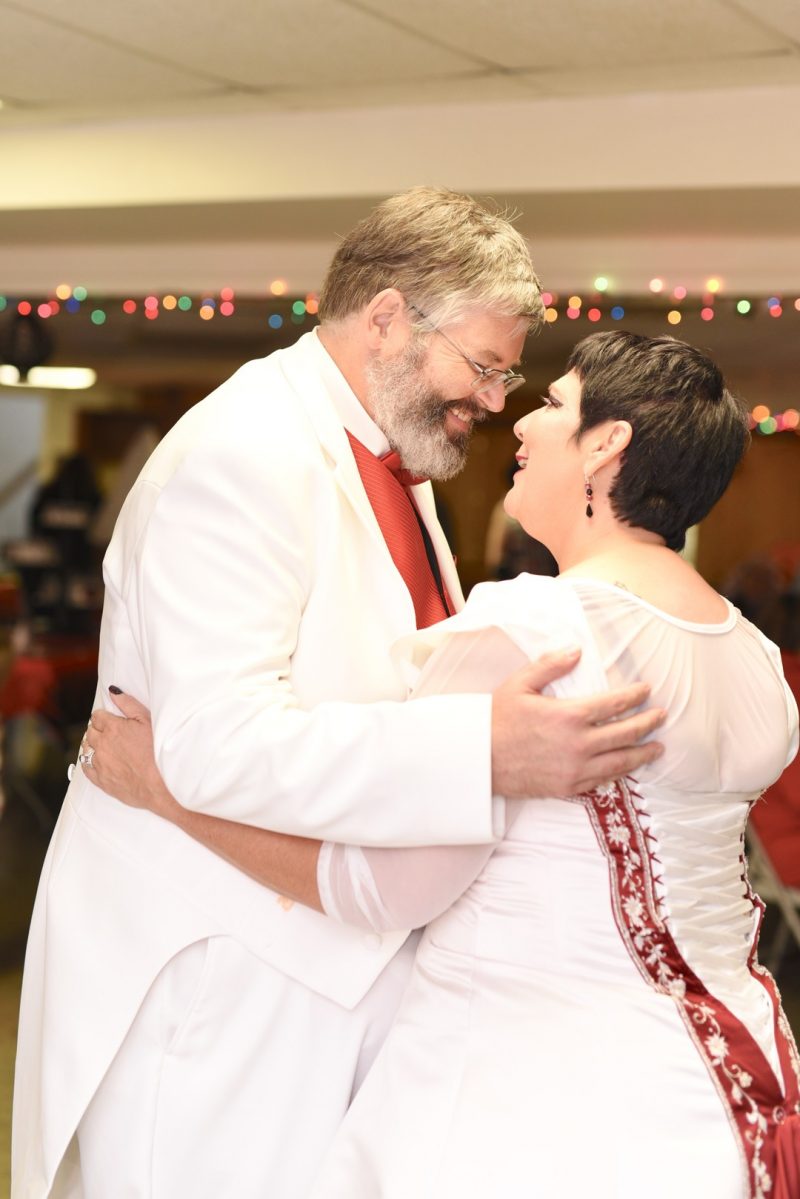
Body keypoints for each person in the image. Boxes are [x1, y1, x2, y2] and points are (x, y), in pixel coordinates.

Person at [12, 190, 663, 1199]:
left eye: (506, 373)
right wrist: (479, 752)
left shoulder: (391, 461)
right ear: (388, 317)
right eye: (484, 365)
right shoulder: (241, 452)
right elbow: (218, 744)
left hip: (333, 962)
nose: (496, 400)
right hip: (218, 973)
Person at [84, 332, 799, 1199]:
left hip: (532, 1100)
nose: (522, 422)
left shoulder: (531, 632)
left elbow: (386, 891)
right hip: (733, 1081)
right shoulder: (753, 655)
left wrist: (168, 794)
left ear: (607, 445)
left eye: (554, 403)